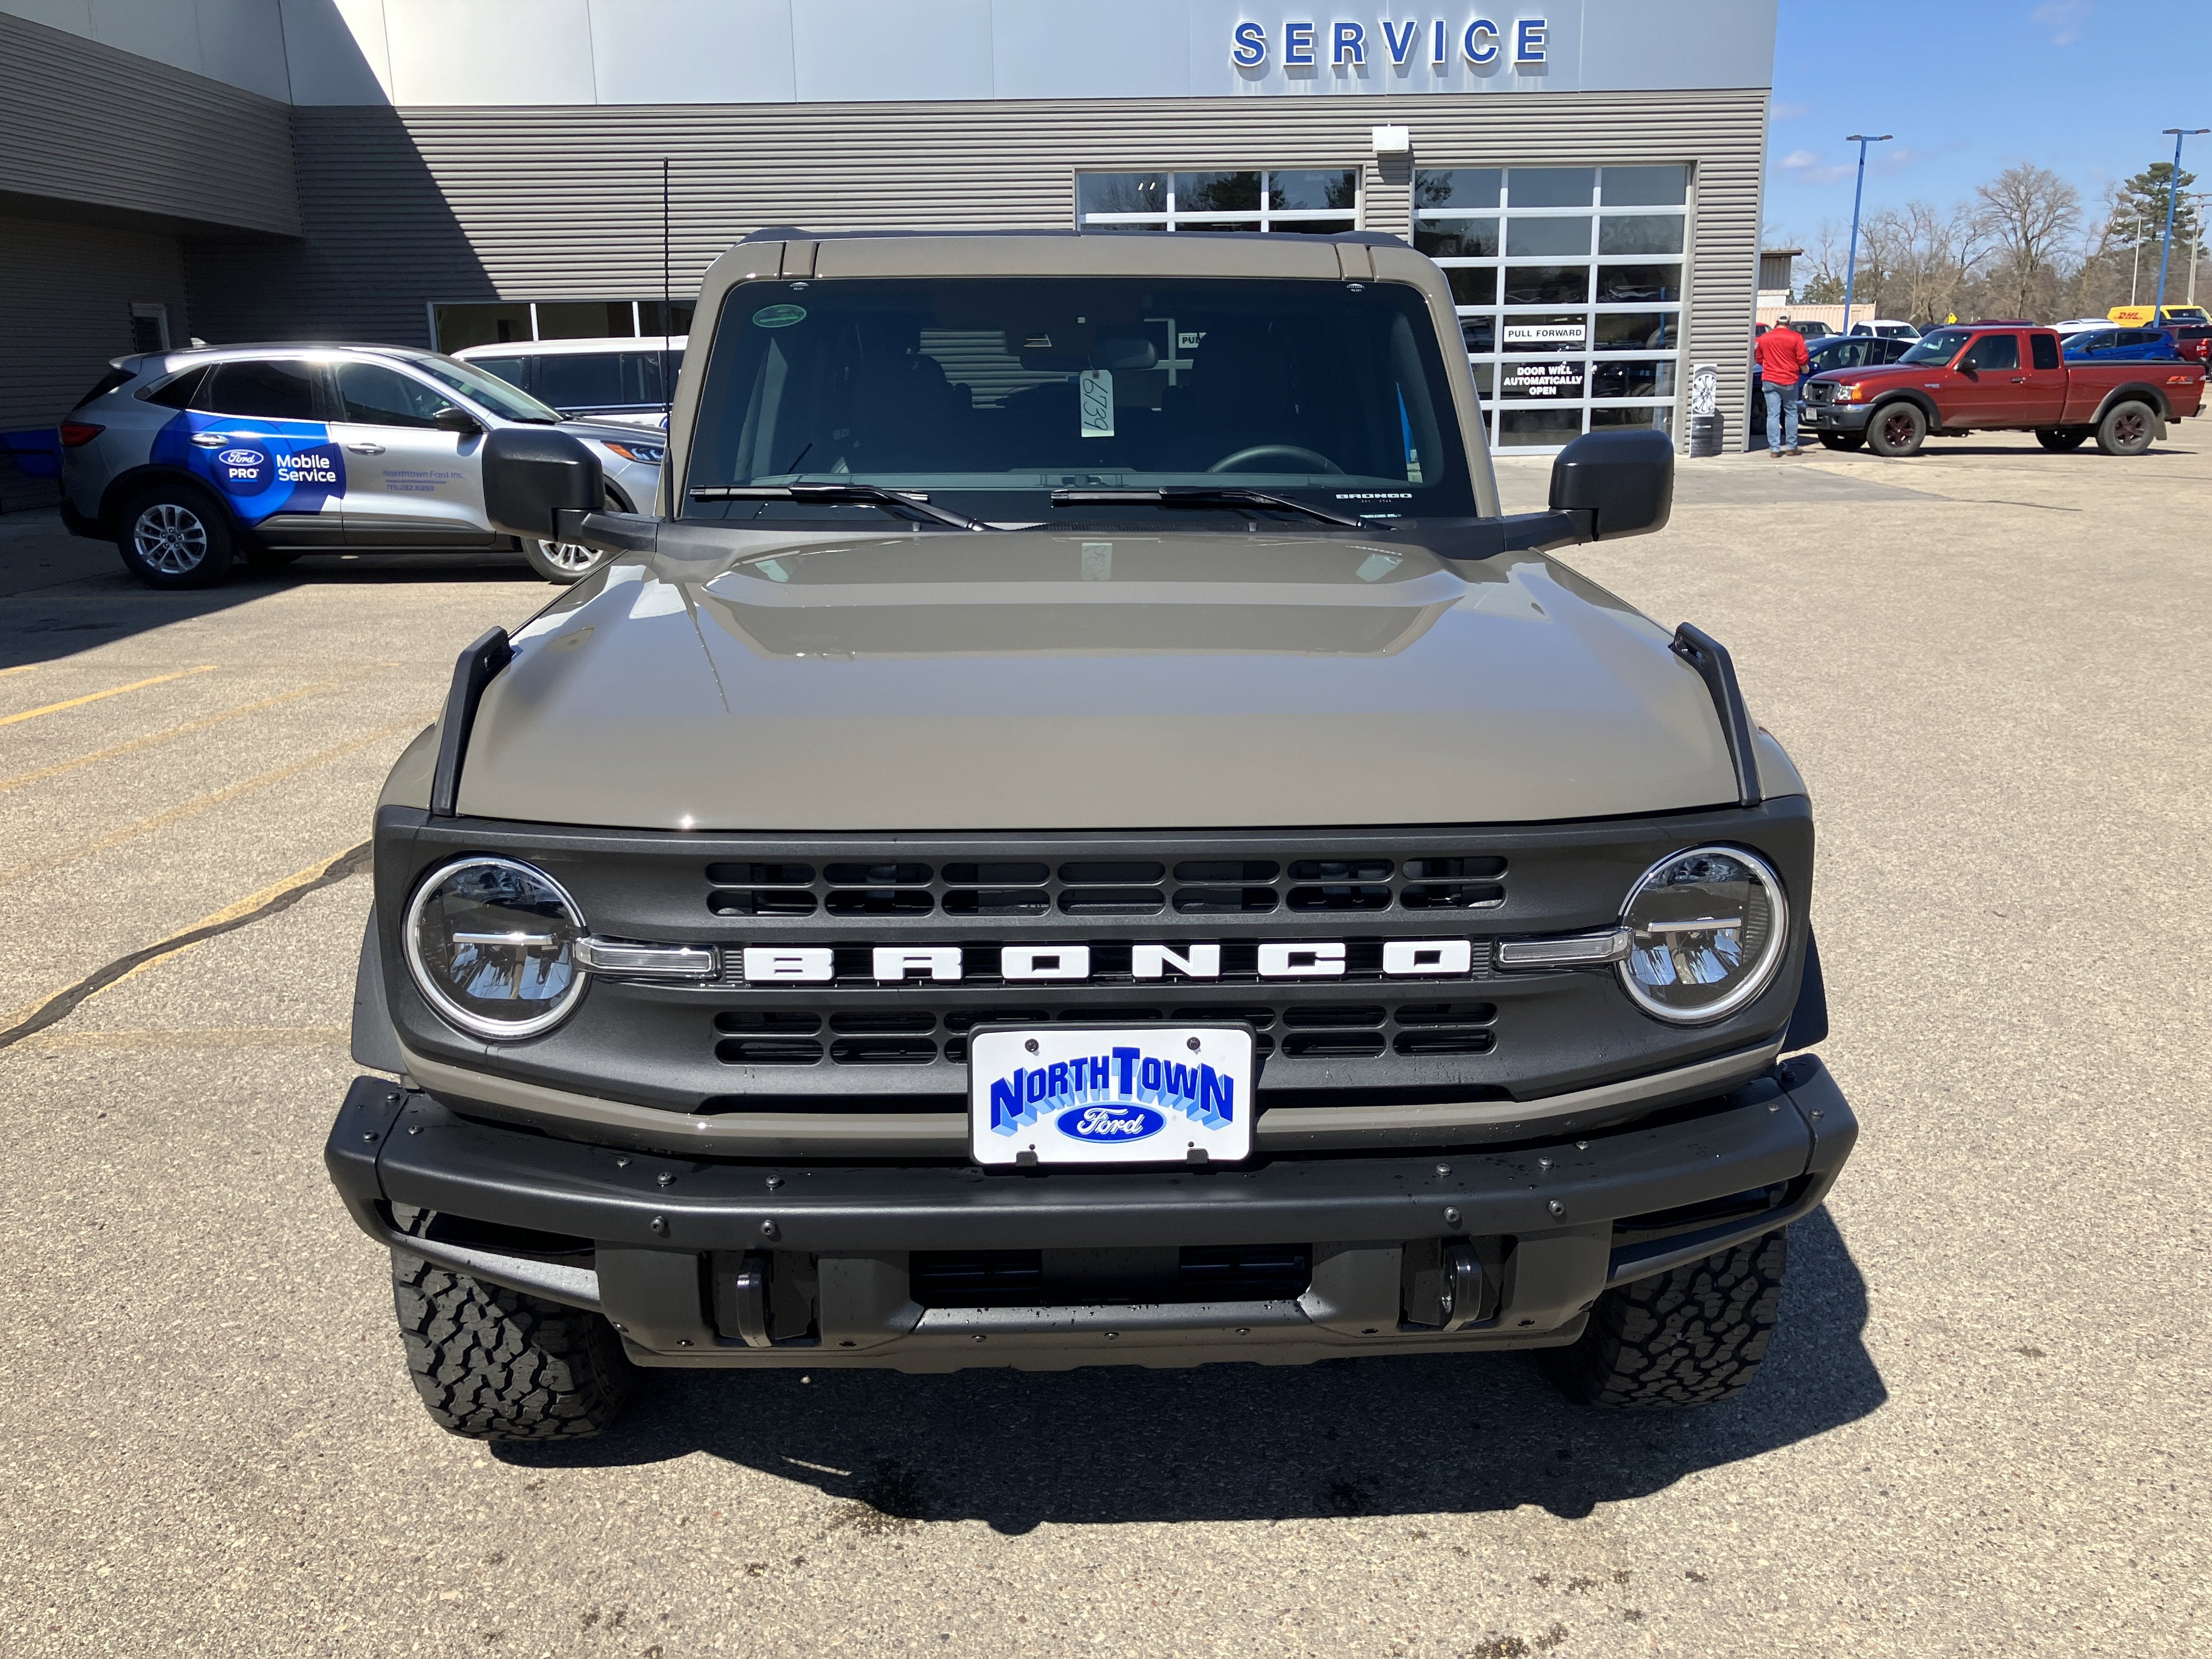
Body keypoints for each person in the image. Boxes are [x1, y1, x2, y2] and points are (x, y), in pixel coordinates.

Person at [1754, 314, 1810, 456]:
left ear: (1776, 322)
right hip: (1789, 380)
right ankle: (1791, 447)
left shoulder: (1765, 338)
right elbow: (1802, 358)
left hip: (1770, 380)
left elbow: (1759, 358)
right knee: (1791, 412)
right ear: (1789, 323)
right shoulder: (1796, 337)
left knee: (1773, 414)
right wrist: (1804, 368)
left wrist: (1770, 366)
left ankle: (1774, 449)